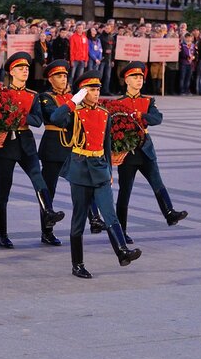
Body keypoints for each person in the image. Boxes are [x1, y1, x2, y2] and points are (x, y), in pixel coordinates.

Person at [50, 70, 141, 278]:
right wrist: (73, 101)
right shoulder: (74, 113)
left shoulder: (103, 113)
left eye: (98, 89)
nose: (97, 93)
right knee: (79, 219)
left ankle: (122, 251)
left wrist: (109, 169)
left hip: (99, 167)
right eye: (92, 89)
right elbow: (55, 118)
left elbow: (107, 144)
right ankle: (77, 264)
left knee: (109, 213)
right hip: (80, 168)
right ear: (83, 92)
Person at [0, 52, 65, 249]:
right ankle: (2, 234)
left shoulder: (33, 95)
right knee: (4, 191)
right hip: (6, 144)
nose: (25, 71)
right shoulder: (2, 94)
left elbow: (37, 120)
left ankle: (48, 216)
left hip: (26, 142)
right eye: (20, 68)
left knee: (39, 181)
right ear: (11, 72)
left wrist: (20, 117)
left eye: (26, 68)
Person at [114, 62, 187, 244]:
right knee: (125, 192)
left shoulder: (148, 101)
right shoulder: (118, 103)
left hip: (145, 149)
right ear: (126, 80)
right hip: (127, 152)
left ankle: (169, 213)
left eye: (140, 78)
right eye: (134, 77)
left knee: (157, 182)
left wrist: (141, 116)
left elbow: (157, 118)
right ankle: (121, 230)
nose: (139, 81)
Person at [38, 60, 107, 246]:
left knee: (84, 183)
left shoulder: (73, 97)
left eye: (65, 75)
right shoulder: (45, 97)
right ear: (50, 79)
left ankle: (94, 218)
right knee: (48, 190)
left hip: (73, 147)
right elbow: (58, 119)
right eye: (58, 76)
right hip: (53, 146)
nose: (63, 79)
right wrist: (72, 105)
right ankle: (47, 231)